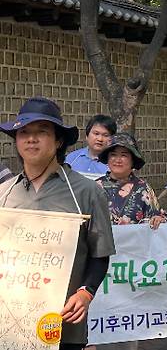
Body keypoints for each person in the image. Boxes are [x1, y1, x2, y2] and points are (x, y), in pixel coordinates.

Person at [0, 97, 115, 350]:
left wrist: (86, 292)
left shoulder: (86, 192)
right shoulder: (4, 193)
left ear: (59, 140)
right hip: (8, 320)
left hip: (62, 323)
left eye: (42, 132)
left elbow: (100, 254)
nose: (31, 139)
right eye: (24, 132)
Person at [96, 133, 167, 228]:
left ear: (133, 160)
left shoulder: (143, 188)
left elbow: (159, 217)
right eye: (113, 155)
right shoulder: (94, 187)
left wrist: (158, 220)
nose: (118, 160)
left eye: (123, 155)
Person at [65, 115, 117, 179]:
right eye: (96, 134)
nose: (100, 139)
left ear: (112, 139)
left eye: (105, 135)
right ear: (87, 136)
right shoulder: (72, 159)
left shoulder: (116, 163)